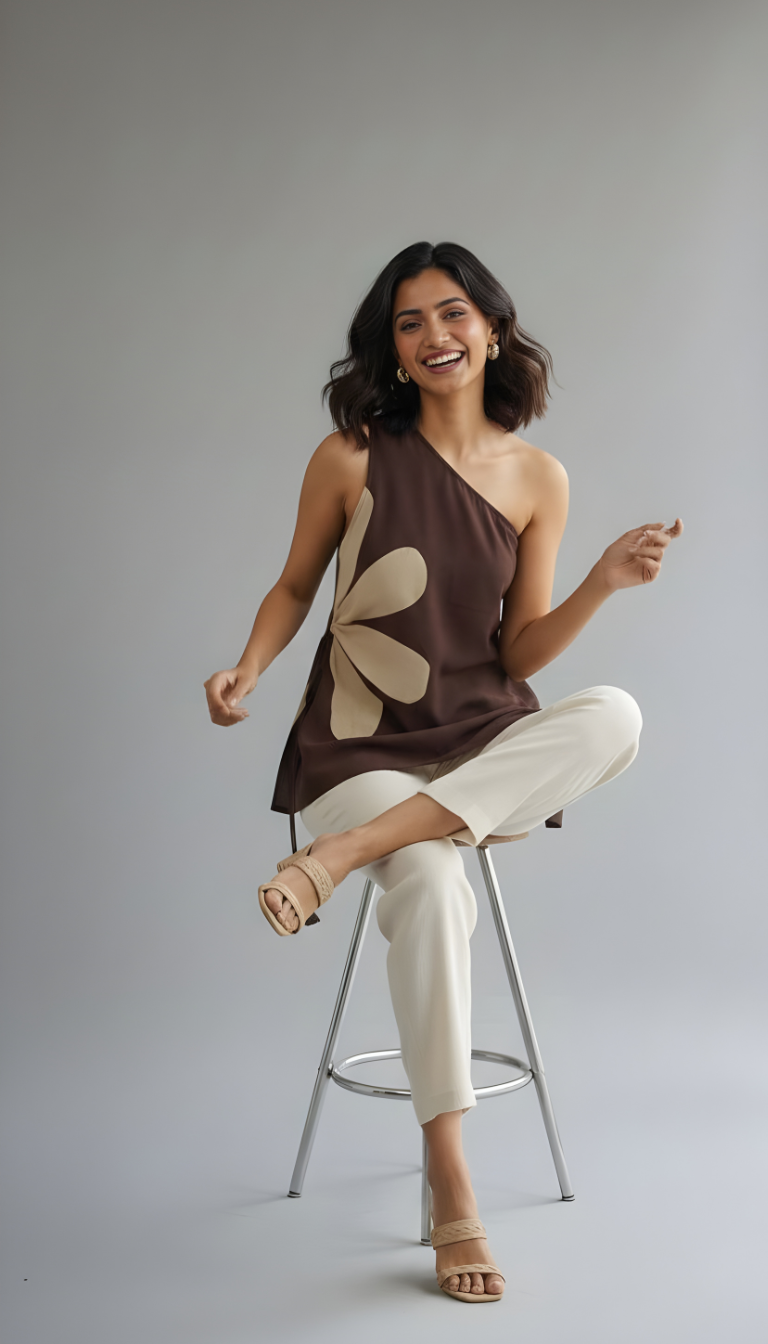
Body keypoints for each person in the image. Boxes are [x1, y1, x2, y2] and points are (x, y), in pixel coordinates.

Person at [204, 241, 682, 1304]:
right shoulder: (351, 456)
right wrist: (246, 664)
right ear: (393, 346)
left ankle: (344, 857)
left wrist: (600, 581)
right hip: (357, 746)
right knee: (427, 877)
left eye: (454, 314)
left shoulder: (539, 478)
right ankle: (451, 1174)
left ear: (493, 329)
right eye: (410, 322)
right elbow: (293, 588)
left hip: (479, 741)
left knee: (617, 714)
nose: (435, 337)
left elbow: (516, 658)